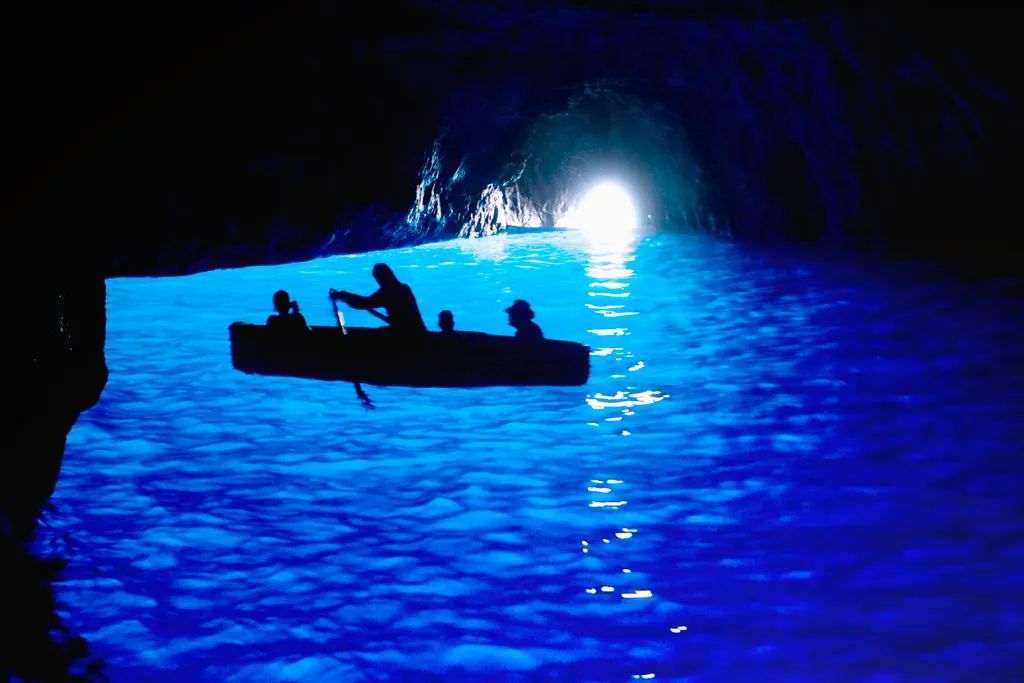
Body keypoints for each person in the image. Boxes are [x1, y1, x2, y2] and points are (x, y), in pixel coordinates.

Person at [330, 263, 427, 337]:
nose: (377, 281)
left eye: (377, 278)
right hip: (419, 332)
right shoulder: (405, 288)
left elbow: (362, 303)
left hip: (409, 336)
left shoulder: (388, 291)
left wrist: (342, 295)